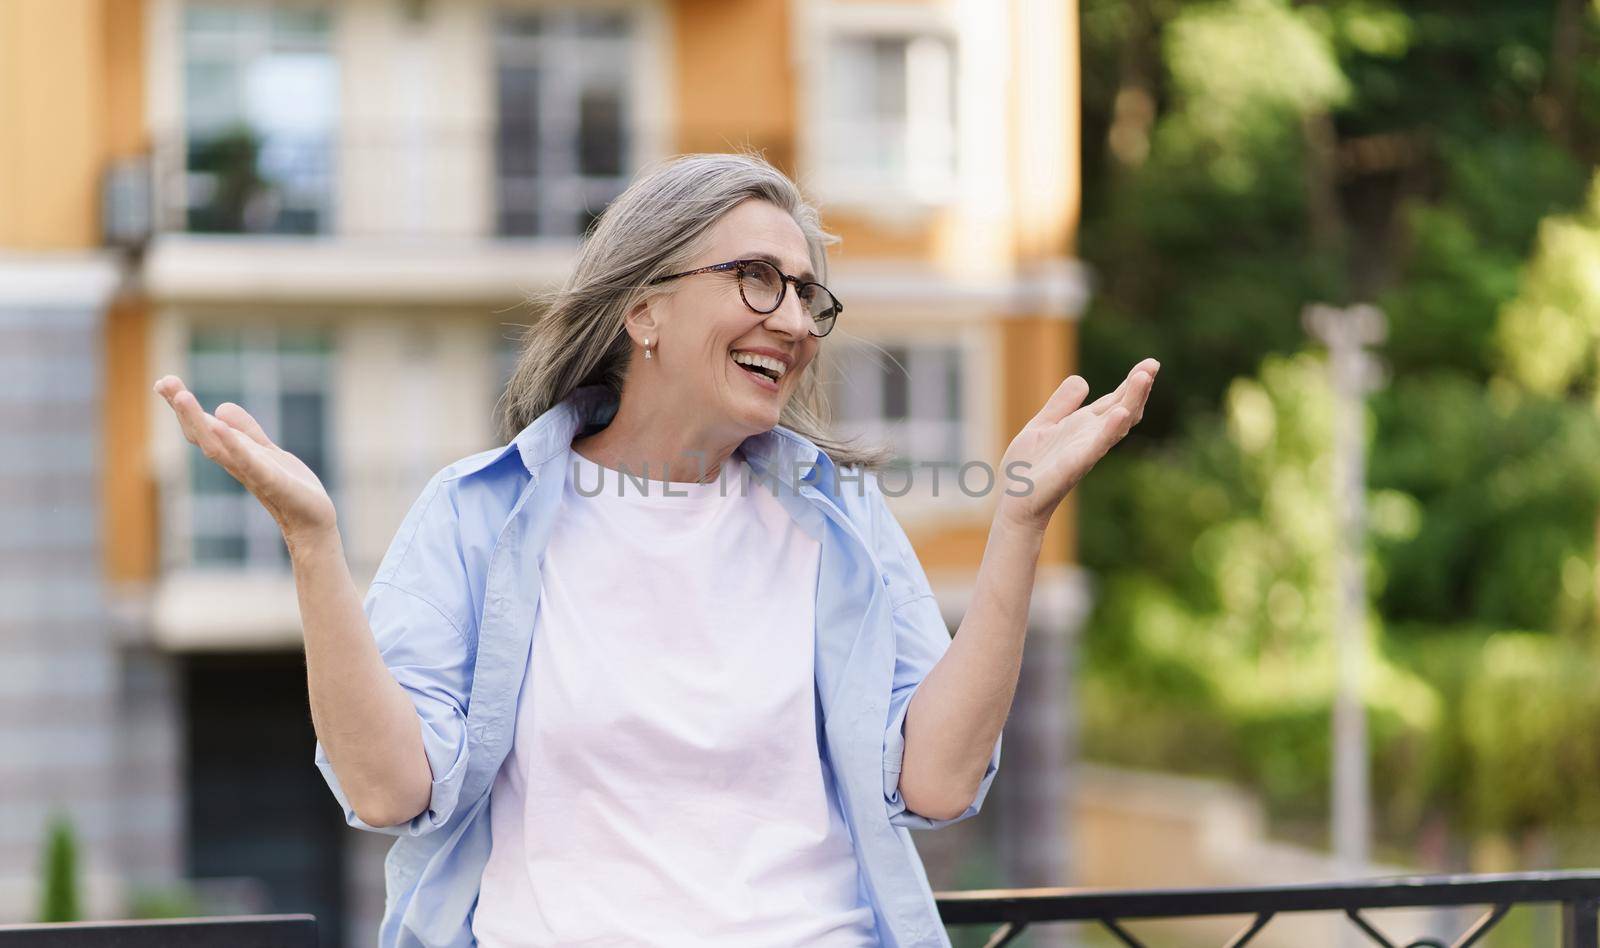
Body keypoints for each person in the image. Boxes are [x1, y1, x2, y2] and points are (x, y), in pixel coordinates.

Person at [153, 152, 1158, 948]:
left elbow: (933, 783)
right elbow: (386, 792)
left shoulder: (837, 519)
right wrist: (313, 543)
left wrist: (1020, 523)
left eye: (809, 294)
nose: (797, 320)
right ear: (643, 309)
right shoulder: (474, 515)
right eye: (758, 280)